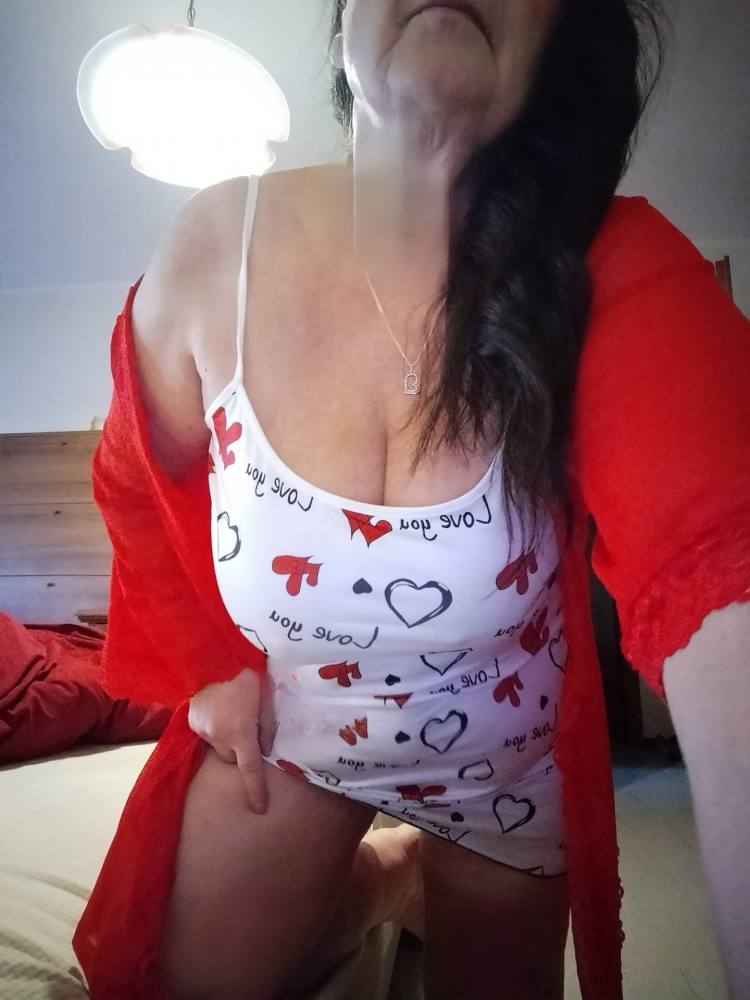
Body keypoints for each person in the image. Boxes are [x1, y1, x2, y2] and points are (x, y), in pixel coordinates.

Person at [72, 1, 750, 998]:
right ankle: (390, 877)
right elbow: (136, 477)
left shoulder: (603, 264)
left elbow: (722, 538)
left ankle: (407, 873)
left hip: (506, 769)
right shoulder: (218, 245)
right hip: (300, 737)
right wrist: (208, 665)